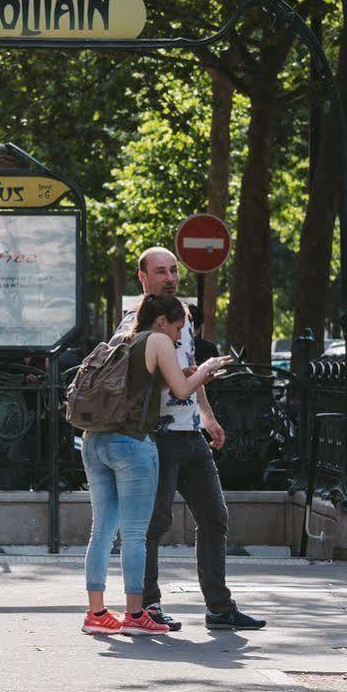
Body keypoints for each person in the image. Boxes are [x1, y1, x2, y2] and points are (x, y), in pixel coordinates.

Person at [123, 247, 266, 631]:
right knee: (154, 524)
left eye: (173, 271)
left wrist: (208, 415)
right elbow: (138, 377)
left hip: (191, 434)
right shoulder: (132, 322)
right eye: (160, 272)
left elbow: (187, 374)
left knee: (215, 517)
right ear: (143, 277)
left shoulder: (183, 319)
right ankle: (147, 607)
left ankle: (220, 608)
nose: (169, 277)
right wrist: (189, 377)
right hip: (157, 437)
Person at [83, 294, 233, 635]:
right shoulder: (158, 340)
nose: (180, 336)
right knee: (136, 533)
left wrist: (184, 375)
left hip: (96, 441)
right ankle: (136, 615)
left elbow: (149, 382)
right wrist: (207, 369)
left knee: (102, 529)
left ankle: (96, 613)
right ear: (162, 321)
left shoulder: (127, 338)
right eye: (178, 327)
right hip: (131, 443)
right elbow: (181, 392)